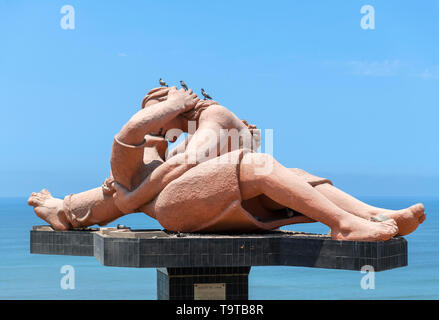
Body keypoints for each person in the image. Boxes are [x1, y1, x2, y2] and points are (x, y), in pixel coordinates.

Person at [28, 86, 426, 241]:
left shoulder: (211, 119)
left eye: (159, 113)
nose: (160, 124)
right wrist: (137, 193)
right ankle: (344, 225)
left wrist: (134, 199)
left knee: (291, 175)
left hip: (187, 204)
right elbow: (146, 153)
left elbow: (171, 171)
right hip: (178, 207)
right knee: (258, 165)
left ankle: (373, 215)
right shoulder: (178, 136)